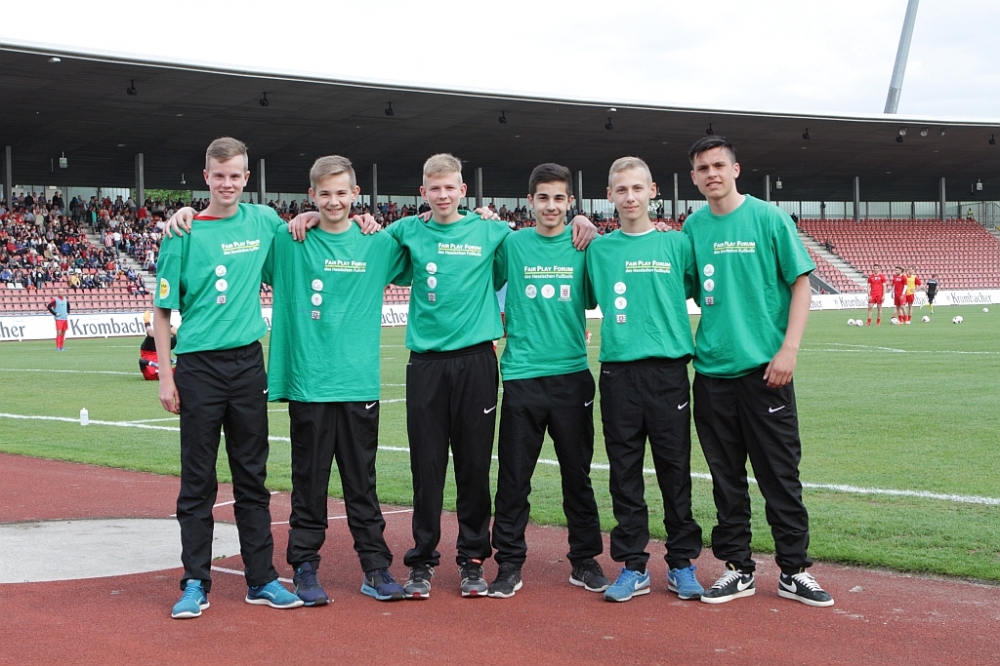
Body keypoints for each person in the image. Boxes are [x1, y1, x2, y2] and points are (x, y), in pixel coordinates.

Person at [154, 137, 303, 619]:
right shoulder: (182, 231)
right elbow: (162, 312)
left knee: (251, 478)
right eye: (219, 175)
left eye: (235, 175)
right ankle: (195, 582)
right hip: (198, 366)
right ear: (206, 177)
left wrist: (317, 216)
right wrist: (166, 377)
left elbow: (302, 236)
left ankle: (261, 579)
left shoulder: (263, 220)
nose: (227, 183)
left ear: (246, 178)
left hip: (246, 364)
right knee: (197, 480)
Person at [683, 136, 833, 607]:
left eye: (718, 165)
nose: (711, 173)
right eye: (703, 168)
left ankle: (794, 570)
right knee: (726, 479)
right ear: (694, 178)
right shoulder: (693, 226)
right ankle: (737, 568)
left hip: (768, 372)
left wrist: (789, 349)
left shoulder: (768, 217)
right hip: (712, 373)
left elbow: (802, 283)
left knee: (780, 474)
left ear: (735, 169)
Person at [263, 156, 410, 605]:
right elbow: (243, 227)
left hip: (358, 383)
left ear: (355, 194)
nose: (333, 201)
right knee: (308, 483)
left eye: (341, 193)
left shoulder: (378, 242)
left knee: (362, 484)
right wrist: (185, 212)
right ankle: (304, 567)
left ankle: (375, 567)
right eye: (324, 194)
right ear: (311, 196)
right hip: (309, 383)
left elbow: (427, 235)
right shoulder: (289, 240)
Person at [585, 157, 704, 603]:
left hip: (668, 372)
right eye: (621, 190)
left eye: (637, 188)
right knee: (624, 473)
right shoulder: (597, 250)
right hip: (618, 373)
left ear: (653, 191)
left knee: (675, 470)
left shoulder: (678, 244)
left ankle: (681, 563)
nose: (630, 197)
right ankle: (633, 565)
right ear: (610, 196)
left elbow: (694, 287)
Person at [487, 163, 609, 599]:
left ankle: (585, 560)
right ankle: (509, 564)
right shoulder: (512, 244)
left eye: (559, 198)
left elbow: (596, 295)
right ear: (530, 201)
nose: (551, 206)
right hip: (522, 377)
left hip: (572, 376)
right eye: (543, 198)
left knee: (578, 476)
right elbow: (481, 269)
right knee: (514, 478)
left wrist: (589, 226)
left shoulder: (584, 245)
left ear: (570, 201)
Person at [139, 311, 176, 380]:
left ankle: (147, 323)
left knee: (153, 335)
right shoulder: (169, 373)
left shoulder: (150, 376)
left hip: (148, 351)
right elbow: (180, 367)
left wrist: (155, 364)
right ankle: (165, 324)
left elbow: (141, 362)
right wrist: (174, 361)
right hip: (161, 350)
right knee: (180, 336)